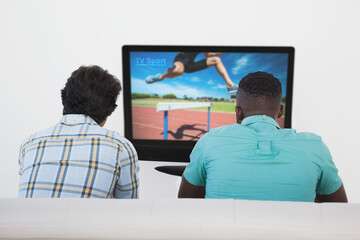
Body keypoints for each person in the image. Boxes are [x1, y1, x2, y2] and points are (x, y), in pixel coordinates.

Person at [178, 71, 347, 202]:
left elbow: (186, 202)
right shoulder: (315, 146)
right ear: (281, 111)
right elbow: (338, 210)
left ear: (238, 112)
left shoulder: (209, 140)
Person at [18, 65, 139, 198]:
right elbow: (129, 210)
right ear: (109, 111)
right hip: (84, 219)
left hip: (22, 219)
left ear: (64, 98)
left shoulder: (29, 143)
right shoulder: (121, 147)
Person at [146, 52, 239, 94]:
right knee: (178, 71)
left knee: (216, 60)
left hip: (191, 65)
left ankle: (230, 85)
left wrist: (219, 53)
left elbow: (208, 55)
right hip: (181, 59)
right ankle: (160, 77)